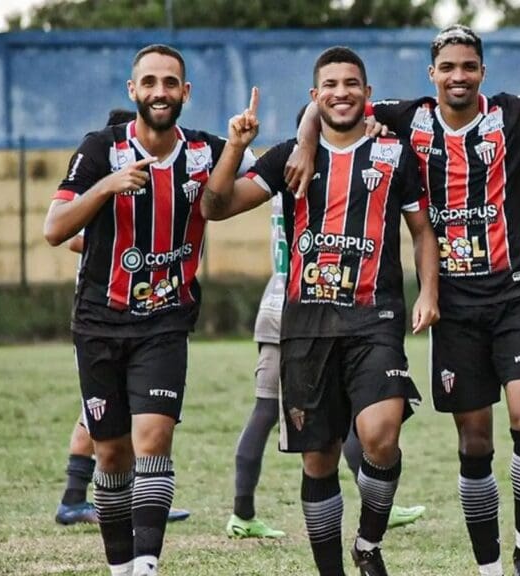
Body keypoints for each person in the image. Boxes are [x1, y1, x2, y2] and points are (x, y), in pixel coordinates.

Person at [287, 5, 520, 576]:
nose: (458, 76)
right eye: (448, 68)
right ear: (432, 74)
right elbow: (329, 103)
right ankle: (487, 567)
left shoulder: (513, 115)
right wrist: (306, 143)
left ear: (482, 72)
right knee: (475, 440)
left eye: (468, 67)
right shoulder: (408, 120)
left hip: (514, 294)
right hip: (455, 306)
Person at [202, 46, 440, 576]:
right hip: (306, 327)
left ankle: (370, 544)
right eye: (329, 84)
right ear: (315, 97)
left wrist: (429, 292)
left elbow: (422, 231)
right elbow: (215, 208)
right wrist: (236, 147)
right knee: (320, 459)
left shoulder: (394, 155)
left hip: (375, 318)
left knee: (381, 434)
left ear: (367, 94)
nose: (341, 92)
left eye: (351, 83)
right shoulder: (287, 157)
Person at [43, 46, 255, 576]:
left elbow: (258, 183)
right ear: (132, 90)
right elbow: (54, 229)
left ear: (185, 93)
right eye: (150, 82)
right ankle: (120, 567)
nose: (160, 91)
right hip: (98, 321)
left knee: (153, 439)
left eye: (171, 83)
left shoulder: (207, 152)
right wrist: (108, 187)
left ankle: (146, 566)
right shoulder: (100, 149)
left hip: (164, 321)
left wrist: (257, 145)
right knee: (112, 456)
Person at [226, 190, 425, 539]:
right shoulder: (319, 180)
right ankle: (379, 501)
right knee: (348, 417)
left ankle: (242, 513)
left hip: (275, 302)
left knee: (264, 411)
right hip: (309, 309)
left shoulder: (283, 179)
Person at [55, 109, 189, 528]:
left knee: (110, 417)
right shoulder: (103, 178)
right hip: (103, 317)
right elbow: (67, 233)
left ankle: (91, 497)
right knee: (100, 417)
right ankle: (80, 498)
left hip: (148, 319)